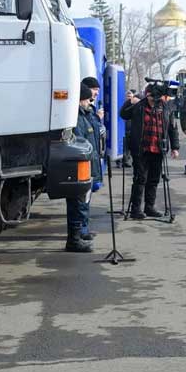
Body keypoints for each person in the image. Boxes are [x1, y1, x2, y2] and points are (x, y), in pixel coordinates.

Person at [120, 84, 180, 219]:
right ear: (147, 94)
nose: (154, 99)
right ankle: (136, 210)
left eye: (156, 96)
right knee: (140, 179)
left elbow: (172, 128)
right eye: (152, 96)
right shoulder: (139, 106)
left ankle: (149, 207)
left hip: (158, 149)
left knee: (153, 180)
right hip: (141, 149)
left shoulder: (165, 107)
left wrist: (175, 147)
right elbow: (123, 114)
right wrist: (130, 101)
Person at [65, 83, 102, 252]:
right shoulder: (77, 118)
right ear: (80, 100)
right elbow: (81, 143)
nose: (89, 102)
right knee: (77, 204)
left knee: (82, 203)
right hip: (80, 168)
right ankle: (74, 239)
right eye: (87, 99)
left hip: (88, 166)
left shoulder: (86, 114)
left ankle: (80, 234)